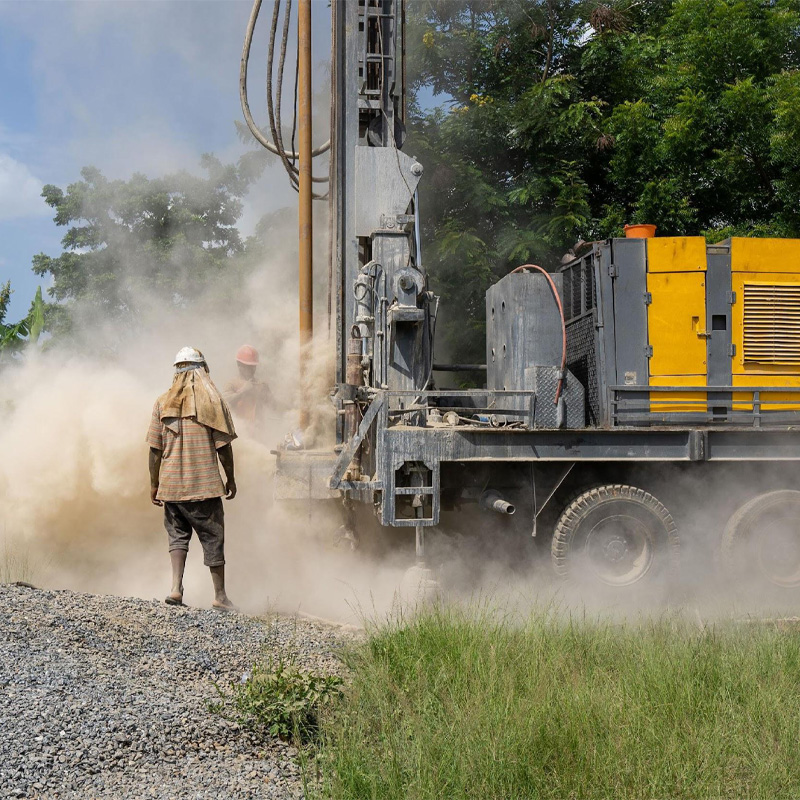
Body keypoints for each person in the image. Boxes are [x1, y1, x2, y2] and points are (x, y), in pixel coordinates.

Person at [147, 347, 238, 610]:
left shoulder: (162, 402)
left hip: (172, 487)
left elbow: (154, 449)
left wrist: (155, 484)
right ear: (202, 370)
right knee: (213, 537)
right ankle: (220, 596)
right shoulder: (213, 402)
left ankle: (176, 589)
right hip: (205, 487)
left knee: (177, 537)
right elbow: (224, 447)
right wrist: (230, 479)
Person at [223, 345, 275, 429]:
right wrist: (243, 391)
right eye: (248, 367)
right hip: (240, 432)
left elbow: (273, 406)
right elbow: (224, 403)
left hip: (258, 431)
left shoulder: (261, 385)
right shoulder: (231, 384)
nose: (252, 370)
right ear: (239, 365)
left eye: (253, 366)